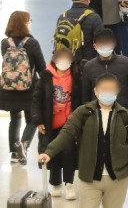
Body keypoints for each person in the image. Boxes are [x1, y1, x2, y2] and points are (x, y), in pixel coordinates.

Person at [31, 49, 79, 199]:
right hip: (50, 124)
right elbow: (36, 100)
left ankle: (69, 184)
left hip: (69, 125)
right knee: (53, 153)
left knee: (69, 152)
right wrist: (38, 120)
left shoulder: (76, 76)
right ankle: (56, 183)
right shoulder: (45, 76)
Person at [1, 11, 46, 165]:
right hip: (29, 87)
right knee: (32, 120)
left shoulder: (5, 43)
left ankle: (14, 153)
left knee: (15, 119)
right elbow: (41, 68)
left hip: (9, 87)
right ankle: (24, 144)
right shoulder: (32, 43)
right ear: (24, 23)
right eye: (29, 20)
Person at [80, 29, 128, 112]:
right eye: (102, 43)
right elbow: (86, 97)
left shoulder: (126, 63)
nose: (105, 46)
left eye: (108, 42)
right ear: (95, 46)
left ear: (114, 44)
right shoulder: (89, 67)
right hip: (97, 115)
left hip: (123, 114)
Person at [57, 0, 104, 67]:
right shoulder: (94, 18)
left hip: (66, 65)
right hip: (87, 65)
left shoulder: (62, 17)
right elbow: (102, 44)